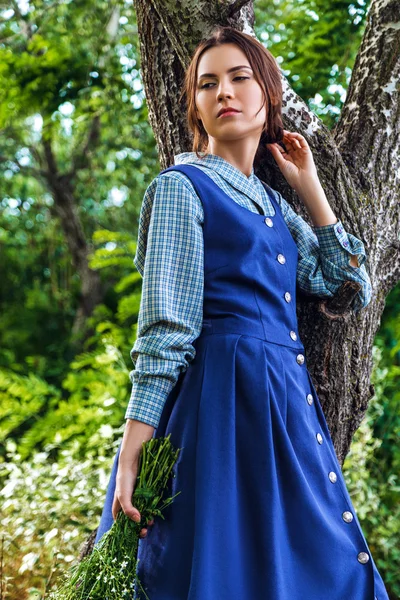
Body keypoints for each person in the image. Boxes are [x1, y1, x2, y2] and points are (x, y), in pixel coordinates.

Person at [94, 25, 389, 600]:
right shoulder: (182, 188)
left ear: (267, 96)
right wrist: (133, 445)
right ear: (197, 111)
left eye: (239, 77)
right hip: (219, 411)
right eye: (207, 84)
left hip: (283, 414)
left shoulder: (275, 205)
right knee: (222, 571)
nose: (223, 92)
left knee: (320, 568)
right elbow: (166, 330)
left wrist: (312, 189)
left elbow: (350, 284)